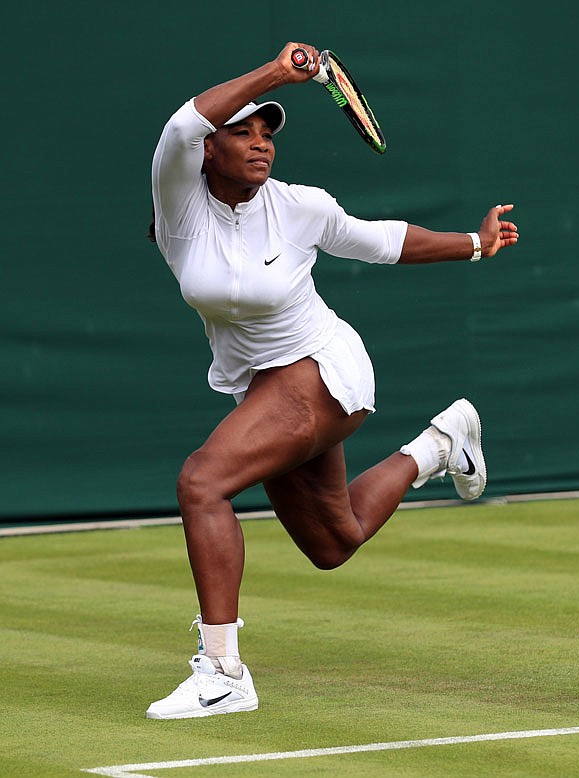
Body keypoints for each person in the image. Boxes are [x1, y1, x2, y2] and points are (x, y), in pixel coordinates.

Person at [145, 42, 519, 719]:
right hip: (265, 390)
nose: (260, 144)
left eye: (268, 134)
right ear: (208, 150)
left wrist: (475, 242)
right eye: (243, 132)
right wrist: (277, 73)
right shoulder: (180, 203)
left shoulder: (299, 207)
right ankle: (440, 444)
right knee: (333, 540)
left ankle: (224, 672)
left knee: (202, 480)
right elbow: (178, 128)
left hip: (323, 367)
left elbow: (383, 240)